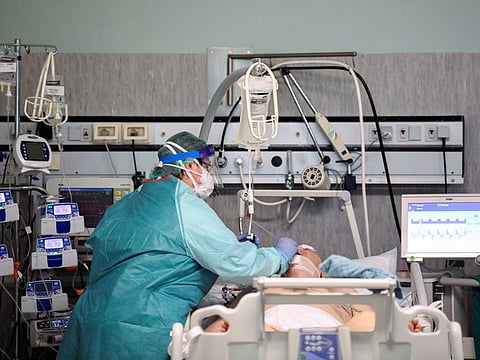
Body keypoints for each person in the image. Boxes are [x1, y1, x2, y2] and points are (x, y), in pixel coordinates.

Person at [57, 131, 298, 360]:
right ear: (190, 166)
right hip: (137, 330)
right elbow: (239, 264)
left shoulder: (128, 202)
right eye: (206, 166)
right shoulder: (184, 206)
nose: (207, 173)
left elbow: (154, 260)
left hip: (88, 321)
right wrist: (279, 256)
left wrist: (222, 247)